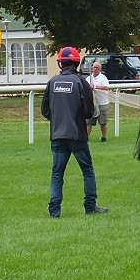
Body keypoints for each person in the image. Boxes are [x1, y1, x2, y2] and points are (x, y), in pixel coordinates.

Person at [40, 46, 108, 218]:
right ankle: (90, 206)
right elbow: (89, 111)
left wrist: (58, 119)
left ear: (60, 64)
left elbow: (45, 110)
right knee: (87, 170)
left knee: (57, 174)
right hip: (77, 135)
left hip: (57, 135)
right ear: (77, 63)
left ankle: (54, 211)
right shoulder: (81, 83)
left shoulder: (52, 82)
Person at [86, 60, 110, 142]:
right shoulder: (88, 78)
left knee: (103, 122)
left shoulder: (103, 78)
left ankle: (104, 137)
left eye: (97, 67)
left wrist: (95, 87)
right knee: (88, 122)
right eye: (94, 67)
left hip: (102, 103)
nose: (95, 69)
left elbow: (106, 87)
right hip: (91, 103)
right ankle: (86, 138)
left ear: (100, 69)